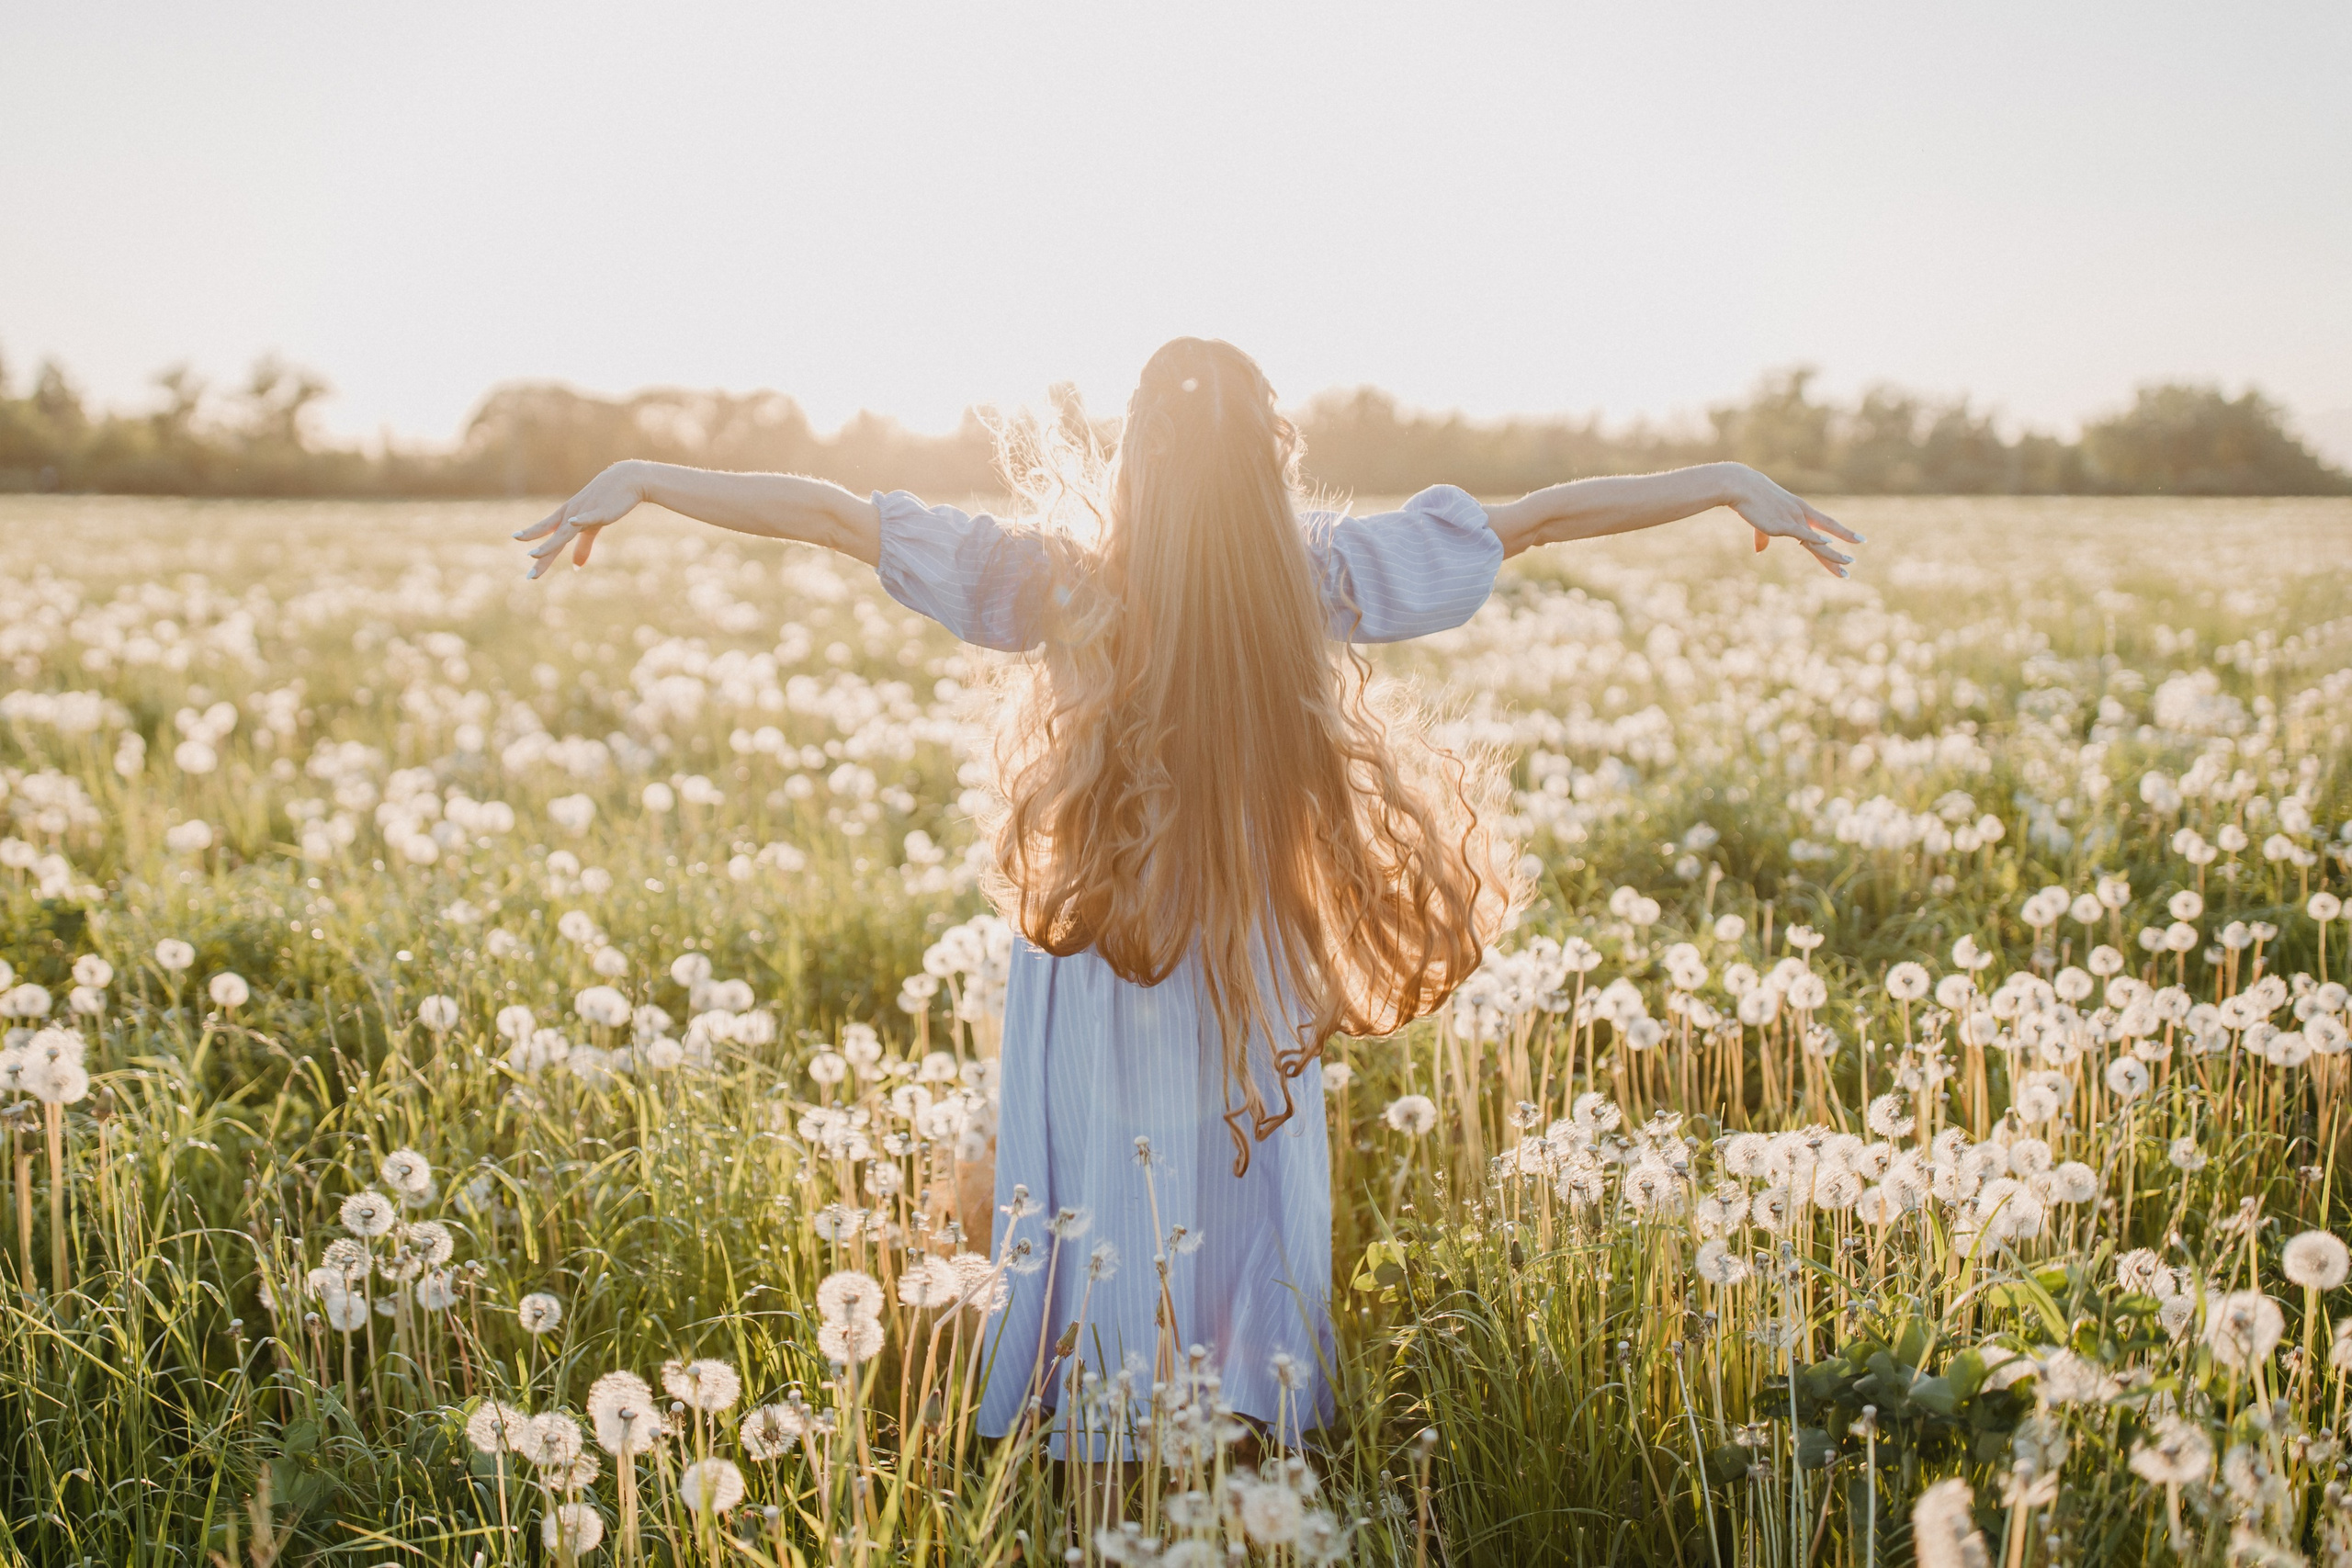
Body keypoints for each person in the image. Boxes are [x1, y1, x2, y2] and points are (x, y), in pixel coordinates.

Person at [515, 336, 1859, 1457]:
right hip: (1248, 936)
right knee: (1240, 1167)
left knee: (1093, 1160)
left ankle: (1086, 1414)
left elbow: (829, 512)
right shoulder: (1324, 578)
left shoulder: (1058, 579)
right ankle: (1243, 1402)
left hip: (1096, 937)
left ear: (1134, 455)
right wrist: (1727, 478)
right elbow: (1545, 512)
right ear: (1271, 456)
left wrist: (640, 476)